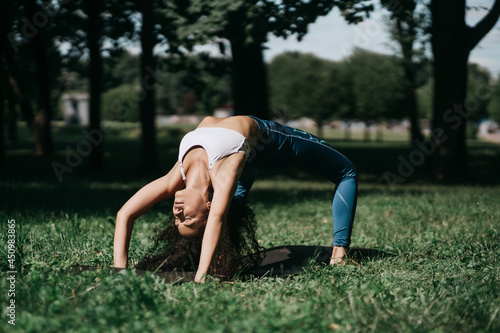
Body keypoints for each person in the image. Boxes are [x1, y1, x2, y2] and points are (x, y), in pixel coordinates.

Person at [113, 115, 357, 282]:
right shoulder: (223, 176)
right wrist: (202, 276)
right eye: (187, 220)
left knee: (234, 201)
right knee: (346, 171)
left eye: (177, 221)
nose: (177, 215)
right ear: (208, 205)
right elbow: (217, 218)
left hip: (244, 153)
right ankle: (340, 252)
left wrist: (119, 269)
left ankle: (222, 255)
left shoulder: (174, 178)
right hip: (269, 144)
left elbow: (125, 214)